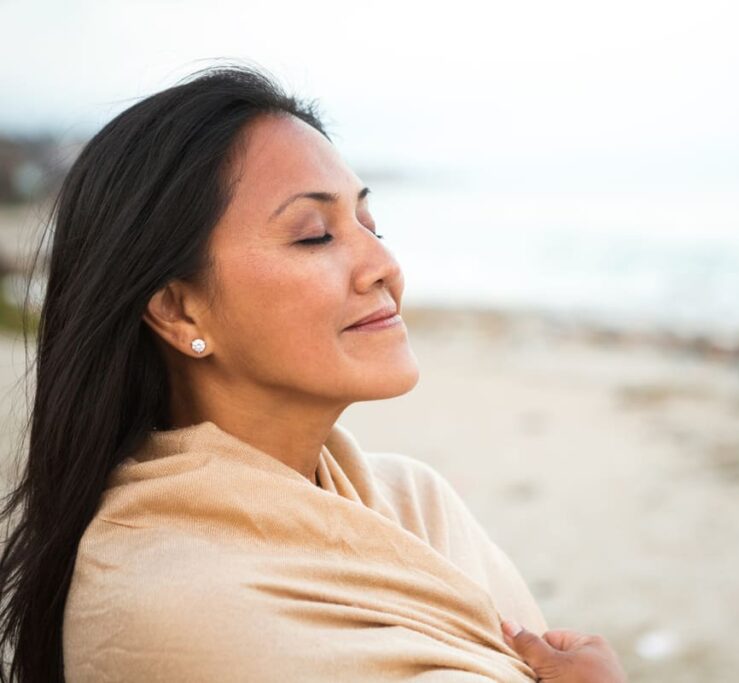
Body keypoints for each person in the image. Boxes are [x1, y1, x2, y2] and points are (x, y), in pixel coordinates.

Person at [0, 64, 626, 682]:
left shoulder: (417, 503)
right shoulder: (164, 599)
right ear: (177, 308)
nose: (383, 265)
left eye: (371, 226)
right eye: (314, 236)